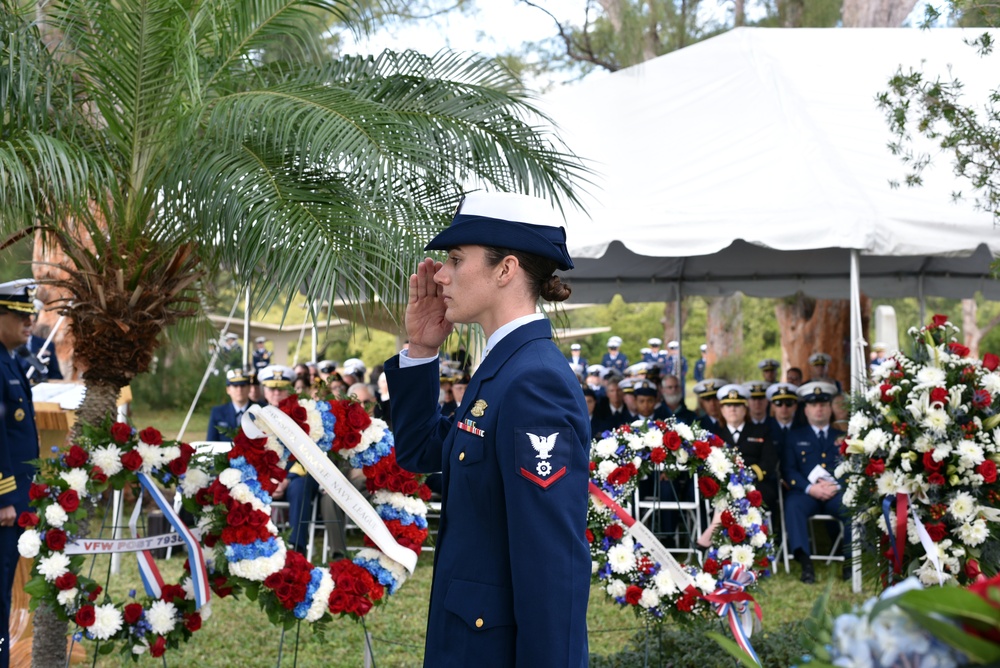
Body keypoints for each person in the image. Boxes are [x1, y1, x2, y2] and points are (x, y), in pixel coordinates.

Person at [384, 191, 591, 667]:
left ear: (506, 269)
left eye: (456, 259)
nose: (440, 274)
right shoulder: (505, 365)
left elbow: (551, 566)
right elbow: (420, 451)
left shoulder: (533, 378)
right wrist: (420, 349)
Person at [0, 280, 40, 668]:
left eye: (31, 316)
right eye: (19, 316)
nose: (29, 323)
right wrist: (4, 497)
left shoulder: (10, 361)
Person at [782, 381, 850, 584]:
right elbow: (788, 469)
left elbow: (851, 469)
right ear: (806, 409)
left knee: (850, 505)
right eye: (813, 405)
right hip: (805, 493)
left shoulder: (843, 437)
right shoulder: (794, 437)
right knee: (792, 505)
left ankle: (850, 561)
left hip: (835, 493)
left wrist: (837, 486)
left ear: (830, 408)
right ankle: (805, 563)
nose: (819, 409)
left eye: (823, 404)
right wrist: (810, 488)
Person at [320, 382, 370, 561]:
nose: (362, 407)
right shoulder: (338, 430)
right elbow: (329, 463)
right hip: (345, 486)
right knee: (328, 498)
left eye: (366, 402)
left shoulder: (385, 428)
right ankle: (338, 555)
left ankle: (383, 554)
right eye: (357, 403)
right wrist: (329, 482)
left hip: (375, 486)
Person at [206, 369, 252, 442]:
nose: (239, 389)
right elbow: (211, 442)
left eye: (243, 385)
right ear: (228, 390)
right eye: (235, 386)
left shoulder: (260, 411)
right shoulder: (218, 412)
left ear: (249, 388)